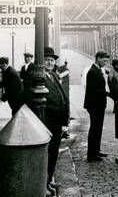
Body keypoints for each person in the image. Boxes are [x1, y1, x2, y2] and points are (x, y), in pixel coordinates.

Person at [43, 47, 69, 195]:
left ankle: (48, 180)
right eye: (47, 60)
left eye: (52, 60)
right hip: (48, 121)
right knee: (48, 152)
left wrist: (65, 120)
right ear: (42, 61)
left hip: (57, 121)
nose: (50, 63)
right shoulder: (40, 76)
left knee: (53, 152)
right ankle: (44, 182)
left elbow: (61, 97)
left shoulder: (52, 75)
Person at [84, 50, 110, 162]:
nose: (105, 62)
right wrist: (107, 93)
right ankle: (92, 155)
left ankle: (96, 151)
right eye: (104, 60)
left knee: (97, 128)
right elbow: (94, 90)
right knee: (95, 129)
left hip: (97, 104)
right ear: (98, 58)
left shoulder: (97, 70)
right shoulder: (93, 71)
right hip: (95, 105)